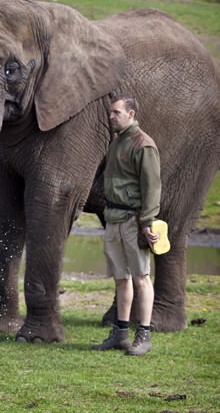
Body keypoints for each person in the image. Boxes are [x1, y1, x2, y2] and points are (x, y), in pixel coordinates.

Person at [93, 93, 161, 356]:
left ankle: (143, 335)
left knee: (141, 277)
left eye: (116, 113)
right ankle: (120, 333)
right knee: (121, 278)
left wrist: (147, 223)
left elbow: (152, 188)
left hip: (134, 220)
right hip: (113, 219)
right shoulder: (117, 142)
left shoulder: (143, 145)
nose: (111, 117)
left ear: (131, 114)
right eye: (111, 112)